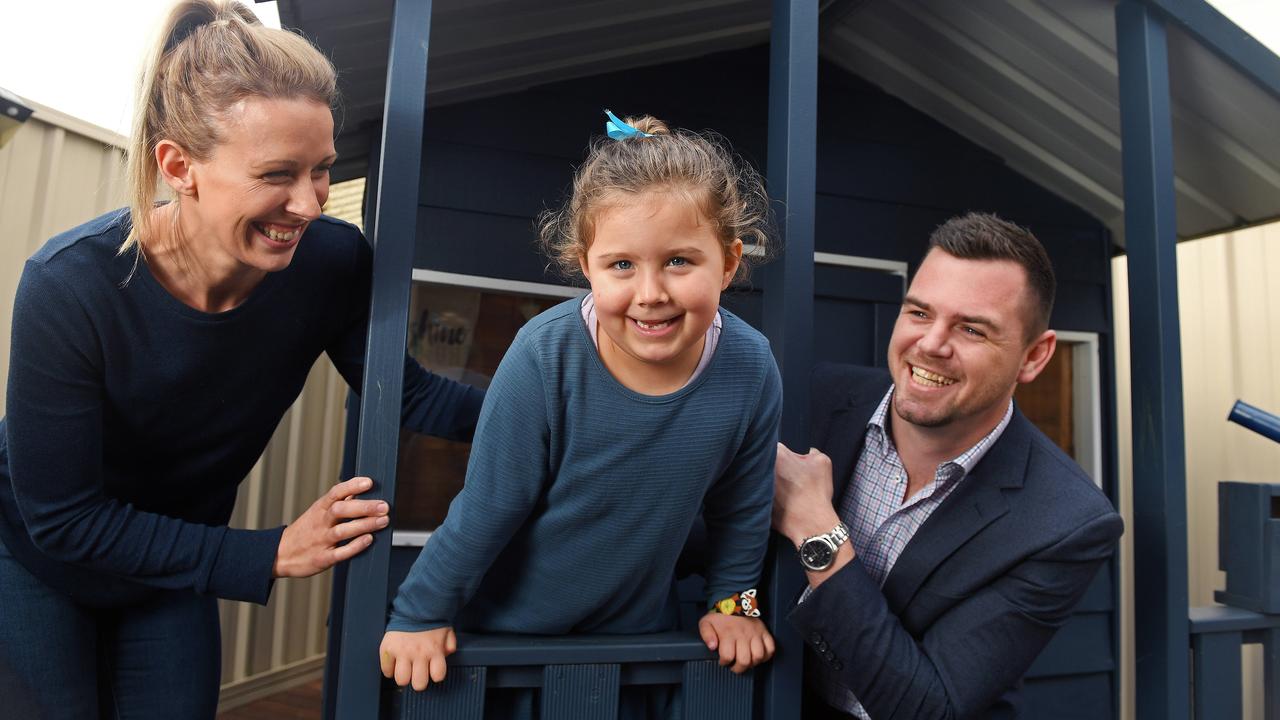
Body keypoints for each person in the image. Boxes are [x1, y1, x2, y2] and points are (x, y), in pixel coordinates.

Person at [0, 3, 483, 718]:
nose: (310, 203)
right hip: (34, 565)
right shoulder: (71, 284)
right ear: (179, 166)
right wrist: (271, 552)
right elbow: (65, 518)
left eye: (320, 171)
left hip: (167, 572)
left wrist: (572, 400)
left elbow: (411, 397)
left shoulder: (331, 265)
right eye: (277, 174)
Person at [380, 112, 783, 701]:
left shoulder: (751, 368)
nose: (650, 293)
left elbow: (743, 510)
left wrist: (735, 606)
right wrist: (418, 613)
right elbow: (490, 503)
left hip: (636, 644)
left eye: (679, 261)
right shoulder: (544, 355)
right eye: (621, 265)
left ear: (728, 261)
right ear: (584, 265)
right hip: (505, 641)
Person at [772, 213, 1123, 719]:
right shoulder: (816, 399)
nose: (932, 344)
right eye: (919, 313)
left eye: (972, 329)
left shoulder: (1063, 522)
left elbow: (929, 709)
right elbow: (711, 543)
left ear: (1034, 357)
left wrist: (816, 529)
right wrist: (734, 609)